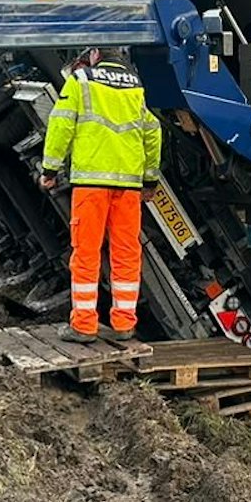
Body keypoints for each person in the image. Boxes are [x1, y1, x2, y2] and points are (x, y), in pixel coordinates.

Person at [39, 47, 163, 343]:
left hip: (92, 184)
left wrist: (50, 169)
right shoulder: (136, 86)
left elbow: (61, 125)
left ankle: (83, 324)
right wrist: (150, 179)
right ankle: (124, 324)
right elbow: (153, 131)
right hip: (129, 188)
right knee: (126, 253)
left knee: (86, 252)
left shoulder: (81, 80)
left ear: (95, 53)